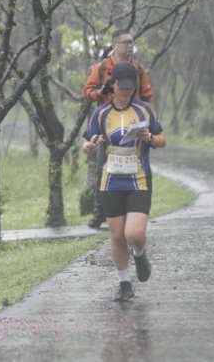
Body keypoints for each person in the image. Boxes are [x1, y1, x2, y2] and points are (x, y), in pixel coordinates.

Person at [82, 61, 165, 301]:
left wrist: (149, 137)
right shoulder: (101, 113)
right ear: (113, 84)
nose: (126, 91)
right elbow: (87, 143)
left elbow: (162, 139)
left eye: (131, 87)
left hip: (138, 179)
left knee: (134, 234)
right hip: (111, 182)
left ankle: (139, 253)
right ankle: (124, 283)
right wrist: (90, 145)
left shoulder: (144, 111)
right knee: (117, 236)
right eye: (122, 86)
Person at [83, 29, 155, 230]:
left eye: (132, 42)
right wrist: (100, 93)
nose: (129, 46)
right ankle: (100, 212)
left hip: (134, 125)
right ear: (114, 45)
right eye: (125, 42)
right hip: (108, 126)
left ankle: (133, 209)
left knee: (137, 165)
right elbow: (87, 92)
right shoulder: (102, 67)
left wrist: (148, 118)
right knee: (103, 167)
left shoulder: (138, 69)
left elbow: (148, 95)